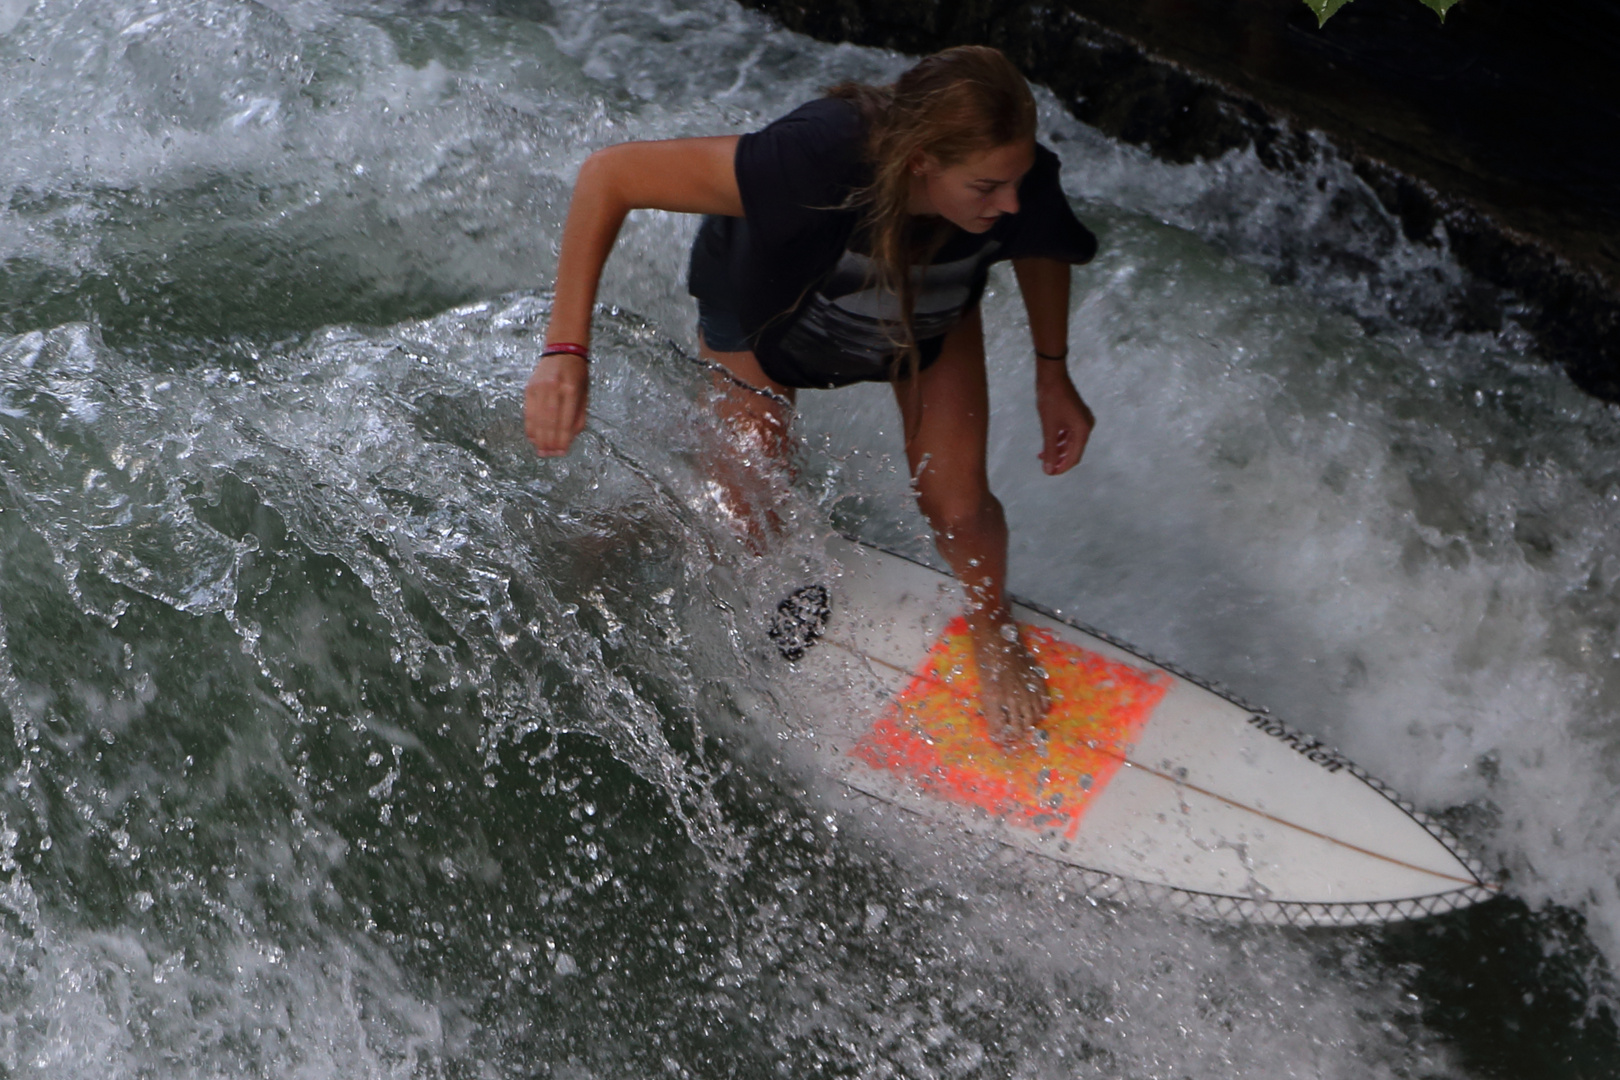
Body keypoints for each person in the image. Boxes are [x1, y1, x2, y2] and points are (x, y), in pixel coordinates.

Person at [524, 46, 1098, 744]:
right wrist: (564, 351)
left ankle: (992, 626)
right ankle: (642, 515)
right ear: (921, 160)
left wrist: (1052, 371)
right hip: (765, 317)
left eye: (1016, 182)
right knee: (749, 513)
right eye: (986, 188)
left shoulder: (1013, 177)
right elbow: (609, 176)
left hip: (926, 310)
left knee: (961, 509)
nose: (1009, 203)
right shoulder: (810, 160)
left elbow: (1041, 241)